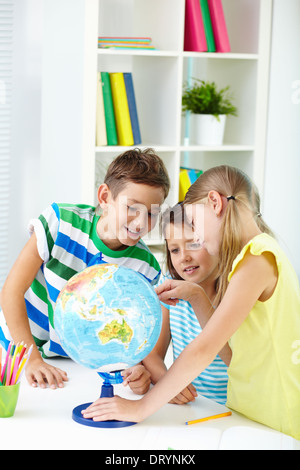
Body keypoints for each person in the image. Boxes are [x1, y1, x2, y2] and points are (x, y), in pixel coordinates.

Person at [81, 165, 300, 441]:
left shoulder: (256, 259)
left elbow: (204, 349)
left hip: (276, 418)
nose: (198, 239)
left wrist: (139, 410)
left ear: (215, 203)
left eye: (195, 224)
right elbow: (230, 348)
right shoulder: (257, 256)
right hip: (250, 414)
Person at [0, 148, 170, 392]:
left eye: (153, 213)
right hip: (18, 349)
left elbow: (133, 339)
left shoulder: (146, 268)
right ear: (104, 197)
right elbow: (11, 291)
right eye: (132, 207)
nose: (142, 222)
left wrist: (138, 370)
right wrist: (32, 359)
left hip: (78, 367)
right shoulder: (61, 223)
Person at [143, 203, 229, 405]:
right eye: (174, 250)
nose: (184, 258)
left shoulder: (237, 289)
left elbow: (236, 362)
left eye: (194, 244)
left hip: (234, 411)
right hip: (191, 408)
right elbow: (153, 356)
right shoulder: (169, 286)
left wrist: (197, 297)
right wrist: (168, 383)